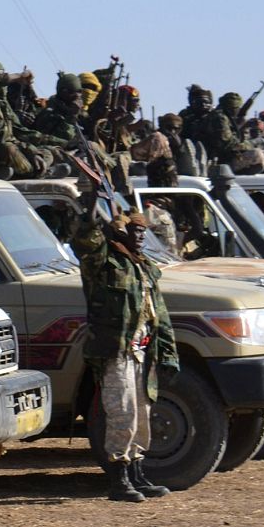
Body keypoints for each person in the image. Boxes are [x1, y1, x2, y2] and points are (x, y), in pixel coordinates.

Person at [73, 202, 178, 503]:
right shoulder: (104, 263)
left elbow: (160, 315)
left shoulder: (144, 267)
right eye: (135, 231)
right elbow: (85, 243)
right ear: (120, 232)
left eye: (144, 232)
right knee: (122, 413)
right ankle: (118, 480)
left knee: (142, 414)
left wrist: (169, 354)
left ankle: (137, 473)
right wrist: (92, 210)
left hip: (143, 352)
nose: (142, 237)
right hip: (114, 351)